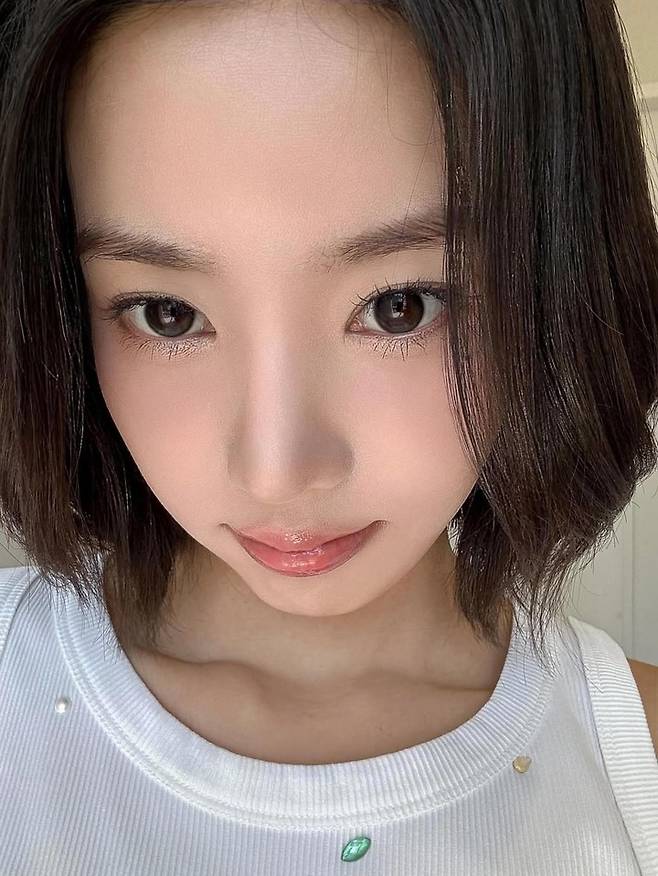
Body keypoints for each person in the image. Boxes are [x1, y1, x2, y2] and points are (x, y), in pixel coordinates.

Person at [0, 1, 656, 873]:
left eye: (400, 308)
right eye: (167, 314)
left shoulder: (635, 759)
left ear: (560, 281)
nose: (277, 471)